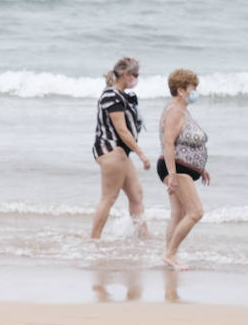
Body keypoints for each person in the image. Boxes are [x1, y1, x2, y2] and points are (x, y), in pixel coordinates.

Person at [90, 57, 151, 239]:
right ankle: (94, 238)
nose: (137, 79)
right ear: (125, 75)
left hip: (122, 153)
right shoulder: (111, 95)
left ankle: (143, 236)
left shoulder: (124, 96)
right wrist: (141, 154)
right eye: (135, 75)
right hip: (110, 150)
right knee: (109, 197)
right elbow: (122, 130)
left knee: (136, 194)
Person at [157, 68, 210, 271]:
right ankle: (169, 253)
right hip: (176, 168)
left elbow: (185, 143)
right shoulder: (174, 111)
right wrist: (172, 175)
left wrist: (201, 167)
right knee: (196, 212)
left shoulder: (182, 110)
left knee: (178, 214)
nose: (195, 91)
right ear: (181, 90)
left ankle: (170, 255)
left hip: (182, 167)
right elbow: (168, 143)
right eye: (193, 88)